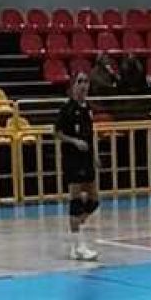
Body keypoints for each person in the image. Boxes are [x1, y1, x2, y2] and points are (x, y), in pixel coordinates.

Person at [55, 72, 100, 262]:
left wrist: (95, 156)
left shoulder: (88, 108)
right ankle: (78, 246)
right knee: (75, 200)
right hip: (73, 159)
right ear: (73, 86)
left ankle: (76, 228)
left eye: (86, 82)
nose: (83, 85)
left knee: (94, 200)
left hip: (87, 159)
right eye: (80, 82)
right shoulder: (67, 109)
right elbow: (57, 132)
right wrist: (74, 142)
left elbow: (90, 134)